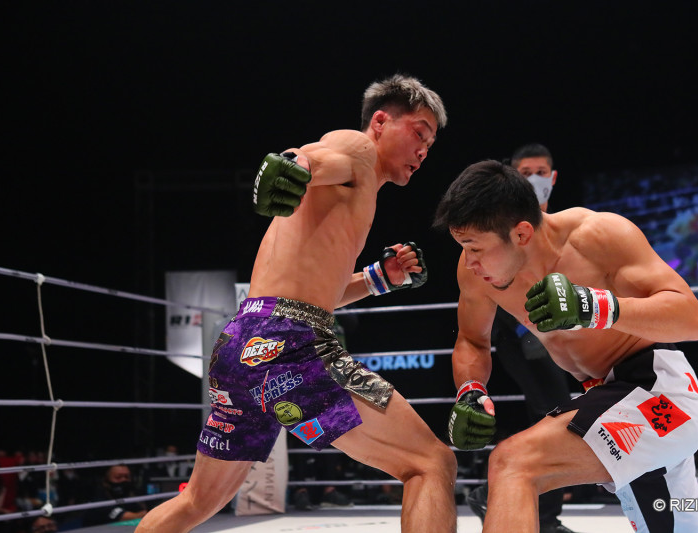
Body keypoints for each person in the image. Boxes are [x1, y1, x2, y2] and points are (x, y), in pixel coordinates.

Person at [136, 74, 457, 533]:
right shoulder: (360, 151)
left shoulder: (357, 191)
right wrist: (293, 165)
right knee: (431, 463)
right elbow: (318, 155)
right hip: (289, 346)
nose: (423, 151)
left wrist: (378, 280)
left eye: (430, 144)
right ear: (381, 122)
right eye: (419, 133)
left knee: (197, 501)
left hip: (243, 343)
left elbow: (318, 295)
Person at [435, 159, 698, 532]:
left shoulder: (598, 236)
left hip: (660, 391)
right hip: (608, 400)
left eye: (474, 248)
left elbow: (692, 319)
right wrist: (470, 389)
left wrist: (595, 306)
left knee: (513, 463)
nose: (469, 262)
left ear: (521, 233)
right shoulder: (478, 273)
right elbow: (471, 340)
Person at [464, 144, 576, 533]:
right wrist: (524, 328)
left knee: (556, 416)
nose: (534, 180)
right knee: (558, 415)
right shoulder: (497, 228)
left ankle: (512, 501)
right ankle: (536, 513)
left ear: (553, 177)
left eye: (541, 172)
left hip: (565, 336)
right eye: (525, 172)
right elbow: (488, 288)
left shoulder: (564, 227)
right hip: (520, 335)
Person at [82, 464, 148, 526]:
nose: (124, 480)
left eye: (127, 477)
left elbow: (141, 511)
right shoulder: (99, 501)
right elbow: (130, 517)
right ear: (105, 482)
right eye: (118, 477)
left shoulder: (128, 499)